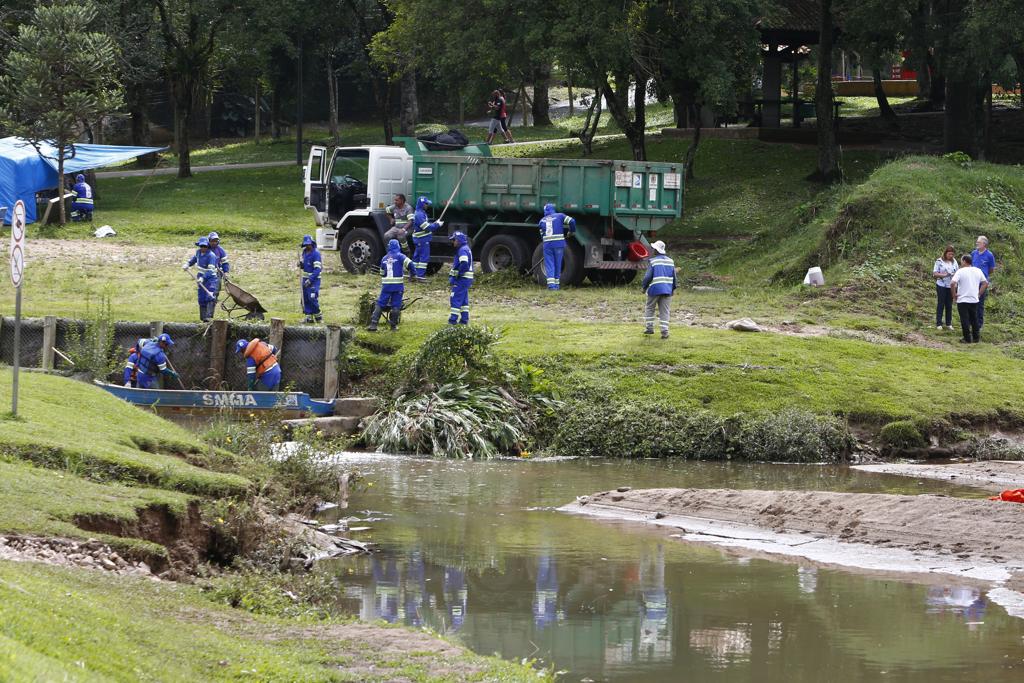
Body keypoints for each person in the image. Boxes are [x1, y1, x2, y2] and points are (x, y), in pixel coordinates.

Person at [369, 239, 415, 331]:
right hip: (397, 286)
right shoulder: (400, 256)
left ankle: (373, 325)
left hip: (386, 286)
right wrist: (412, 274)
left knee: (380, 303)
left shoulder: (384, 258)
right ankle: (393, 326)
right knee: (396, 305)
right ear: (398, 246)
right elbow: (410, 263)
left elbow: (382, 273)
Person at [640, 240, 676, 339]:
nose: (652, 250)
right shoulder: (671, 261)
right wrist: (673, 289)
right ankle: (665, 332)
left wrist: (644, 287)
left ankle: (649, 328)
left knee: (650, 307)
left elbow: (648, 277)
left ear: (656, 250)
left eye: (653, 248)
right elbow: (674, 277)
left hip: (655, 289)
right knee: (665, 311)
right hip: (667, 289)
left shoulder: (653, 261)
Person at [951, 253, 988, 344]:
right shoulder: (978, 270)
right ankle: (976, 337)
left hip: (962, 299)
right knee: (974, 318)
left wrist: (954, 295)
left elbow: (952, 283)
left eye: (961, 261)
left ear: (964, 261)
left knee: (965, 319)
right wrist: (979, 294)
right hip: (974, 299)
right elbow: (985, 283)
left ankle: (967, 338)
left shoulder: (960, 271)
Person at [538, 203, 576, 290]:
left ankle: (551, 286)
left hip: (547, 245)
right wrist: (571, 231)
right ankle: (557, 285)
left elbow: (542, 236)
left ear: (545, 211)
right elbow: (572, 221)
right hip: (559, 245)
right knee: (558, 264)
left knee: (550, 265)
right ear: (553, 209)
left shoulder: (541, 221)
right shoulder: (560, 216)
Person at [183, 236, 221, 321]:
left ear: (207, 246)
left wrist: (203, 278)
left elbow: (210, 270)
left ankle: (208, 317)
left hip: (210, 279)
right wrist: (187, 264)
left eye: (205, 246)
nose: (203, 248)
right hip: (200, 277)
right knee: (201, 297)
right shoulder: (198, 253)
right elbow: (193, 260)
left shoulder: (211, 256)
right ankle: (202, 318)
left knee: (209, 296)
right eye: (201, 246)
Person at [411, 196, 443, 279]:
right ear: (422, 204)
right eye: (426, 203)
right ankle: (420, 275)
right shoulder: (419, 214)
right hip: (422, 239)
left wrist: (434, 223)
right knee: (424, 258)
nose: (427, 205)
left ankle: (413, 274)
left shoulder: (420, 212)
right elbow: (427, 227)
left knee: (416, 257)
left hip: (419, 239)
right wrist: (437, 225)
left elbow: (426, 224)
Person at [448, 231, 474, 325]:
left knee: (455, 298)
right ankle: (464, 320)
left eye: (454, 240)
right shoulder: (465, 248)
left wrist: (457, 274)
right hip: (466, 279)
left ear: (458, 241)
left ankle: (453, 320)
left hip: (462, 279)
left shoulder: (462, 250)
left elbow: (464, 263)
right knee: (463, 300)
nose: (453, 242)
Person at [970, 235, 996, 329]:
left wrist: (984, 275)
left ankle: (979, 324)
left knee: (980, 303)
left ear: (984, 244)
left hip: (982, 283)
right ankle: (971, 322)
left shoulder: (989, 255)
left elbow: (992, 269)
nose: (977, 243)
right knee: (971, 301)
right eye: (977, 242)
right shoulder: (973, 253)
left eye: (979, 242)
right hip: (972, 281)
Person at [933, 244, 958, 331]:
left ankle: (948, 323)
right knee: (941, 304)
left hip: (951, 286)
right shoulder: (939, 261)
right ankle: (939, 323)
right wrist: (943, 275)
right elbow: (935, 274)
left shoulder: (954, 261)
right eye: (949, 254)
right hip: (941, 285)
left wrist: (955, 275)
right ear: (945, 253)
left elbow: (958, 272)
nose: (951, 256)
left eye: (952, 254)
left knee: (949, 305)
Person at [299, 234, 323, 323]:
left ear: (312, 243)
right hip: (305, 279)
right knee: (305, 298)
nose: (307, 246)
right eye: (306, 245)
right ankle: (308, 317)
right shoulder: (304, 252)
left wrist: (310, 280)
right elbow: (306, 265)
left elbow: (317, 269)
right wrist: (301, 265)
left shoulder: (316, 254)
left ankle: (318, 316)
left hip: (314, 280)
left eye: (308, 244)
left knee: (312, 297)